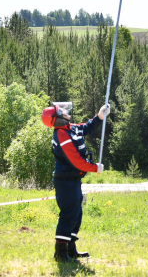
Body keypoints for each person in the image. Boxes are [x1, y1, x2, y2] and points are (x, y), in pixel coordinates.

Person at [41, 101, 110, 262]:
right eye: (62, 112)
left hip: (73, 180)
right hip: (65, 182)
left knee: (76, 215)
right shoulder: (62, 135)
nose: (66, 112)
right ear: (58, 119)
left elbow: (86, 128)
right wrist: (94, 168)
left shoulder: (69, 128)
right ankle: (60, 252)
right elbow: (76, 161)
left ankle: (71, 249)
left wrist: (99, 117)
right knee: (68, 215)